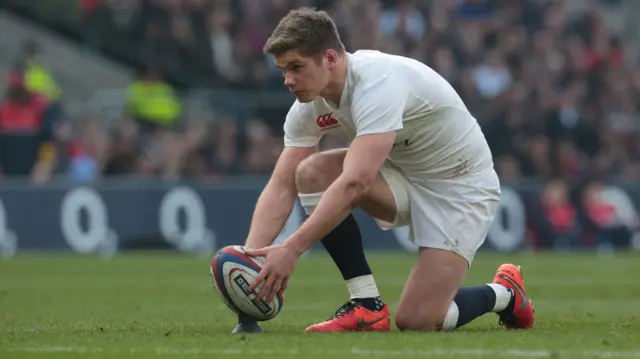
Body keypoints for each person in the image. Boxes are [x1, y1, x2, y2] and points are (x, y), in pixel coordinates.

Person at [233, 7, 535, 334]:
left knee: (418, 321)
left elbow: (356, 183)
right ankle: (366, 305)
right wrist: (252, 262)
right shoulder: (307, 106)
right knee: (310, 172)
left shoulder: (378, 84)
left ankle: (505, 293)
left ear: (331, 58)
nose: (288, 80)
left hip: (459, 186)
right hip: (401, 175)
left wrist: (291, 249)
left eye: (296, 67)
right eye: (282, 70)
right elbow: (281, 185)